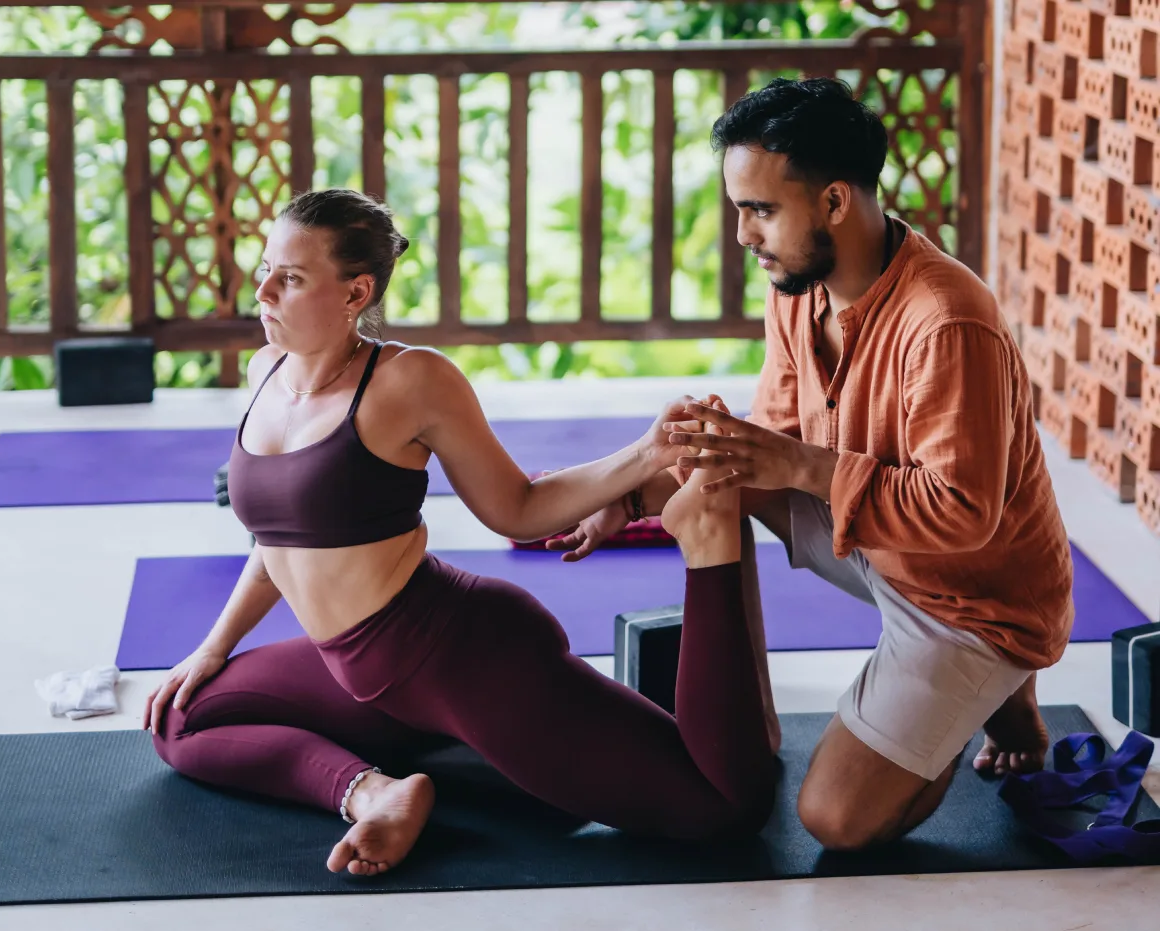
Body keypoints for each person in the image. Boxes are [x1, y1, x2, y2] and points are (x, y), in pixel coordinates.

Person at [143, 188, 777, 877]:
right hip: (356, 672)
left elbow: (520, 508)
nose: (262, 289)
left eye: (289, 278)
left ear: (356, 292)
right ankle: (376, 792)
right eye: (265, 267)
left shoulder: (410, 381)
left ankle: (707, 535)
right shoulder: (267, 372)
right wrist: (212, 647)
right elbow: (278, 542)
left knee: (718, 807)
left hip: (459, 658)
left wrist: (650, 452)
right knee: (181, 718)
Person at [551, 77, 1075, 852]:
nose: (741, 235)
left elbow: (964, 515)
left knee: (836, 821)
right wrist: (634, 497)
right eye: (739, 209)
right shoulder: (799, 289)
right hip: (879, 547)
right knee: (716, 470)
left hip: (973, 599)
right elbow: (771, 444)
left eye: (760, 210)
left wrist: (798, 463)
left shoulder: (948, 323)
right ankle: (749, 724)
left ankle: (986, 690)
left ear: (834, 203)